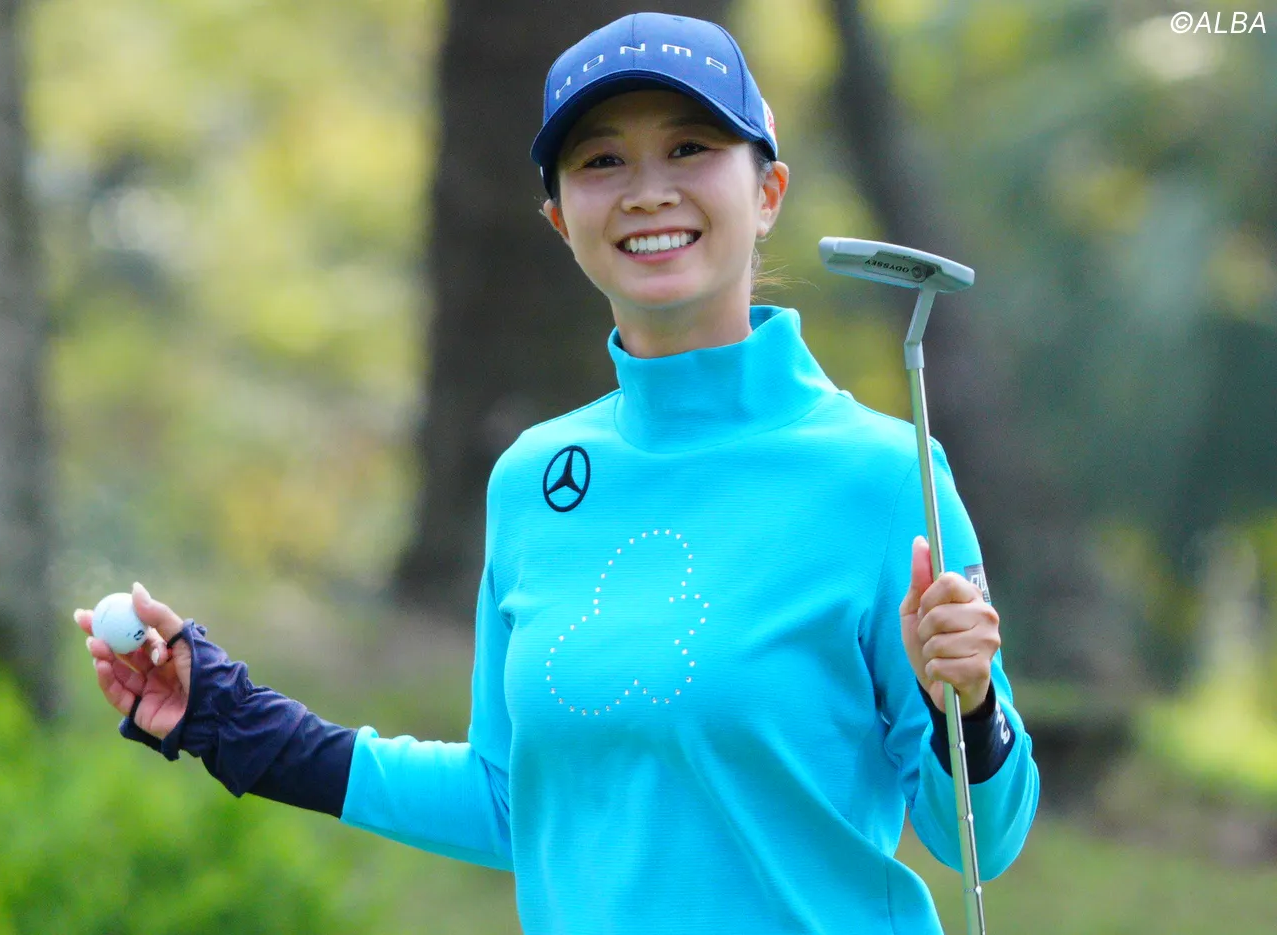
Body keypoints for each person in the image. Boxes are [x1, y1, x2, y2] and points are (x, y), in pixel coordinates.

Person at [75, 12, 1039, 934]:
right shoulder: (534, 479)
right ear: (558, 218)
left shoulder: (882, 475)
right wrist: (239, 723)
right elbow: (511, 797)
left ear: (769, 192)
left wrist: (969, 703)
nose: (647, 191)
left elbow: (983, 843)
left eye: (690, 148)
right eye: (601, 160)